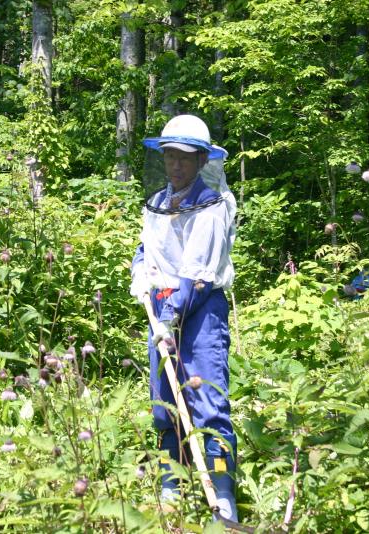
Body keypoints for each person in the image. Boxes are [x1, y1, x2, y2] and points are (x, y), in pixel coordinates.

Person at [130, 114, 238, 521]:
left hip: (201, 312)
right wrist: (141, 274)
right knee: (164, 404)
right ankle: (171, 486)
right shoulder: (158, 202)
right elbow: (147, 249)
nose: (176, 165)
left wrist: (172, 317)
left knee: (208, 402)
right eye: (170, 156)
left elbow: (198, 273)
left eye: (185, 159)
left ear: (200, 161)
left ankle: (222, 492)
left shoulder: (213, 206)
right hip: (161, 309)